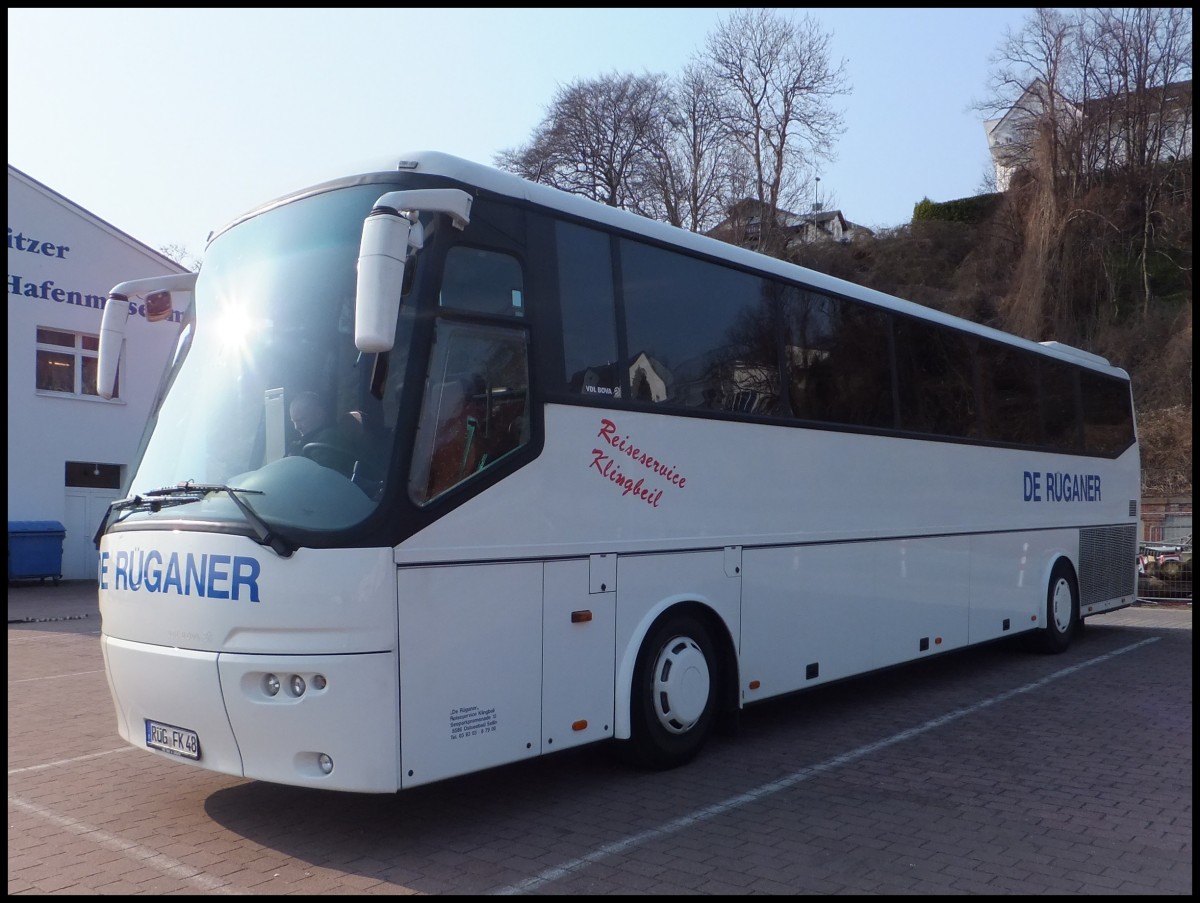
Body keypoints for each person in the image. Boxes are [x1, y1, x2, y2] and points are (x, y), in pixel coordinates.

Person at [289, 391, 362, 476]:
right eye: (294, 421)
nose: (296, 427)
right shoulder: (302, 444)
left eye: (300, 420)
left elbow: (312, 478)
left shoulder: (331, 439)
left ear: (319, 414)